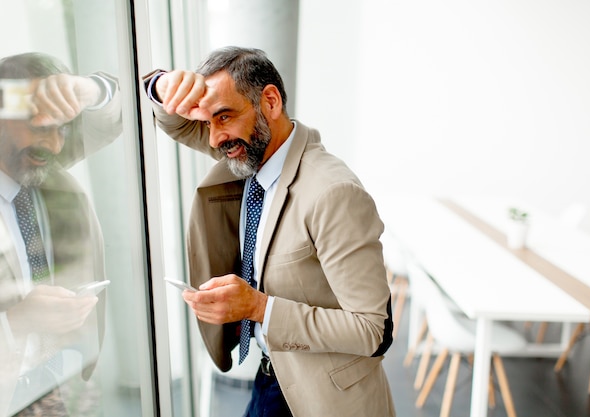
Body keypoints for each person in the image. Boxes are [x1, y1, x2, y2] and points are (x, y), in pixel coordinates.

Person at [144, 46, 395, 417]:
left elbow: (372, 331)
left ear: (271, 102)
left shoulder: (332, 193)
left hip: (324, 395)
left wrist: (258, 307)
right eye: (208, 121)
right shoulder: (248, 150)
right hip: (270, 374)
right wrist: (162, 85)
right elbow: (177, 122)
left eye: (223, 116)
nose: (213, 139)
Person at [0, 52, 122, 416]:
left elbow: (118, 114)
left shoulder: (38, 161)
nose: (55, 146)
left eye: (63, 129)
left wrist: (87, 89)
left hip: (61, 383)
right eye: (41, 127)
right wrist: (17, 323)